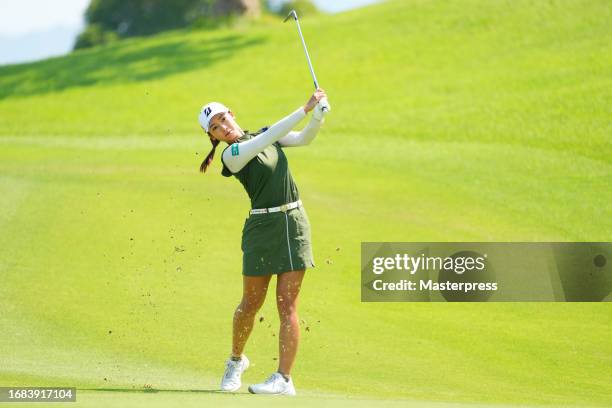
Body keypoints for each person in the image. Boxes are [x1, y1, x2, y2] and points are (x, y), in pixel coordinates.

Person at [198, 89, 329, 396]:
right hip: (261, 227)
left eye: (223, 118)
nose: (223, 127)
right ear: (213, 136)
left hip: (294, 224)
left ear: (232, 112)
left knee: (287, 305)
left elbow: (302, 138)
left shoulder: (266, 134)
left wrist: (319, 116)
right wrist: (304, 108)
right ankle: (235, 360)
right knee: (250, 304)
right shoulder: (231, 156)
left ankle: (284, 379)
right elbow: (265, 141)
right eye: (215, 127)